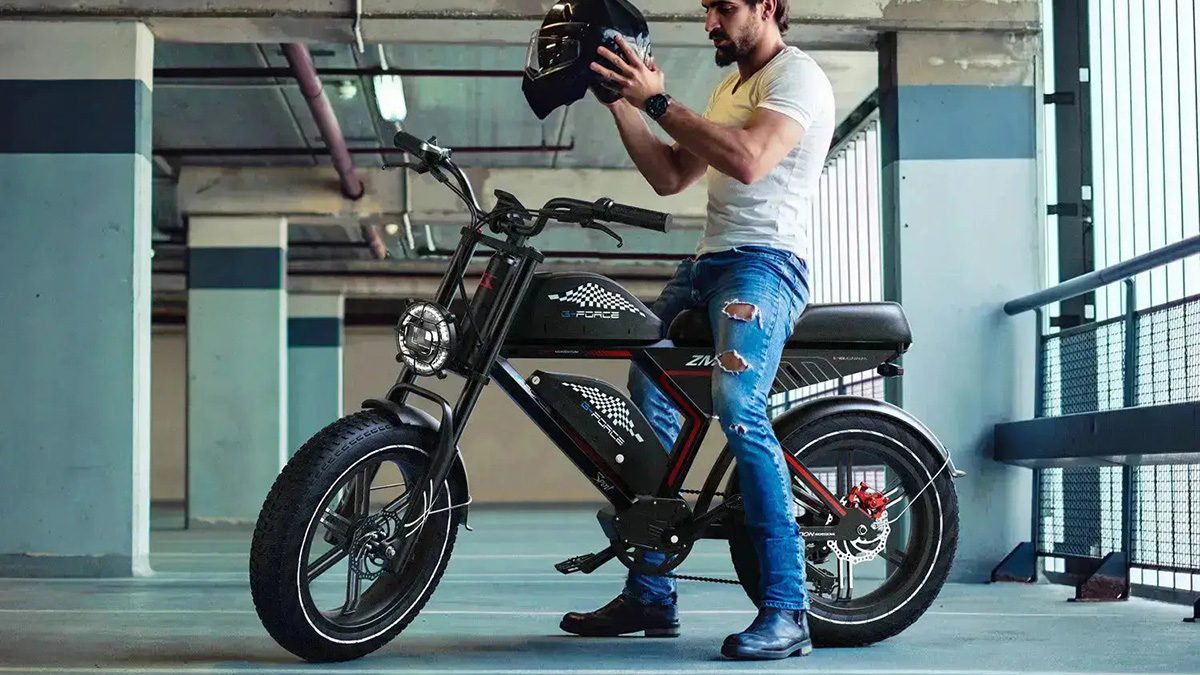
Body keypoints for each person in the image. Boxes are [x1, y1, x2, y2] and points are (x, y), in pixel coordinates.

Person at [556, 0, 836, 661]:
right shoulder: (729, 86)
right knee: (648, 401)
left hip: (765, 267)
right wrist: (623, 102)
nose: (710, 21)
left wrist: (659, 102)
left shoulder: (797, 78)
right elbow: (670, 174)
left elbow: (746, 160)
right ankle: (651, 591)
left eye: (725, 7)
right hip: (707, 267)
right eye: (706, 8)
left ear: (768, 7)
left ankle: (788, 610)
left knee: (739, 407)